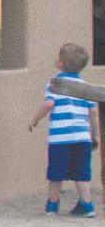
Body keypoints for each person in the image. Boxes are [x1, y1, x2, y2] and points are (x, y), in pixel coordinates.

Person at [28, 43, 98, 217]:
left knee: (56, 172)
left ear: (61, 63)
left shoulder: (55, 83)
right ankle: (86, 205)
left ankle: (52, 205)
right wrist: (94, 135)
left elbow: (49, 104)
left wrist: (35, 119)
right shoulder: (85, 86)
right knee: (82, 173)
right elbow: (94, 112)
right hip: (82, 137)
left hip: (60, 138)